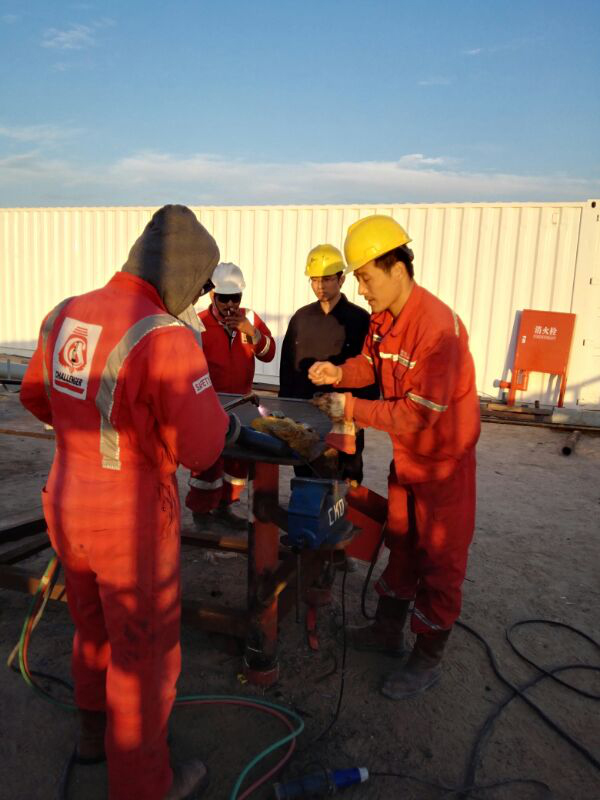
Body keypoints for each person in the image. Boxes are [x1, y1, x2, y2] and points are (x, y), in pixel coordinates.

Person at [20, 205, 239, 800]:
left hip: (66, 502)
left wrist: (87, 435)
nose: (199, 298)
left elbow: (36, 397)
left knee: (91, 629)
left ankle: (92, 736)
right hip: (130, 523)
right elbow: (202, 450)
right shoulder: (166, 337)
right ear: (183, 273)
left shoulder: (64, 313)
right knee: (143, 657)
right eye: (199, 285)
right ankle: (144, 785)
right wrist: (217, 428)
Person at [309, 215, 480, 700]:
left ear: (397, 269)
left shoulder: (440, 332)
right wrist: (338, 373)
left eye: (365, 277)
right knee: (401, 543)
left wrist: (350, 408)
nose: (360, 290)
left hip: (442, 468)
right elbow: (370, 364)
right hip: (408, 461)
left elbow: (416, 414)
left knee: (440, 561)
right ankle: (387, 632)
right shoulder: (385, 319)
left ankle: (427, 658)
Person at [185, 261, 275, 529]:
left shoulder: (251, 319)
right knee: (207, 463)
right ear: (213, 295)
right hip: (209, 407)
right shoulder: (198, 324)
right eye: (224, 298)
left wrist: (253, 333)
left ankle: (226, 507)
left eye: (235, 297)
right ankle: (202, 512)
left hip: (242, 405)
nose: (230, 304)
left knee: (237, 464)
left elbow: (269, 353)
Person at [279, 244, 378, 484]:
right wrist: (288, 410)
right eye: (314, 280)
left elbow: (371, 370)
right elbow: (288, 367)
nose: (320, 286)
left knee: (346, 479)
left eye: (327, 279)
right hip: (306, 415)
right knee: (306, 476)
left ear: (341, 280)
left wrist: (361, 418)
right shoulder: (301, 318)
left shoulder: (359, 320)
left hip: (344, 417)